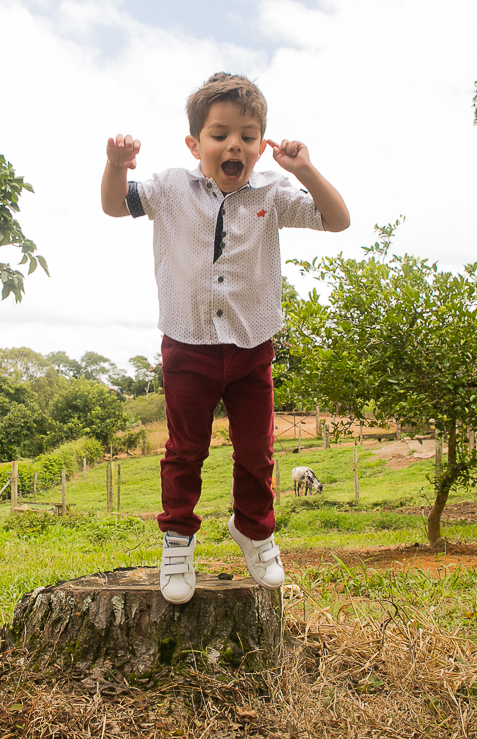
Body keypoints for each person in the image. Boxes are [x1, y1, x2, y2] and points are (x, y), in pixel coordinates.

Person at [101, 72, 349, 604]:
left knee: (257, 452)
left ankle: (255, 531)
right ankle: (177, 539)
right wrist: (116, 166)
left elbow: (337, 220)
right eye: (219, 134)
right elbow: (115, 205)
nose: (233, 144)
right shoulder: (169, 187)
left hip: (252, 344)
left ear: (262, 145)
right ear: (195, 144)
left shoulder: (275, 193)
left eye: (248, 134)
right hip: (187, 344)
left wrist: (304, 168)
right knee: (184, 450)